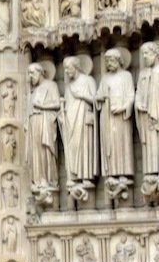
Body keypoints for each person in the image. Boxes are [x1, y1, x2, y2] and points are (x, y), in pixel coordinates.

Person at [60, 55, 98, 194]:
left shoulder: (88, 80)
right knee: (73, 148)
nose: (66, 71)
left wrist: (82, 96)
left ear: (76, 67)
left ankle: (86, 177)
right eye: (64, 69)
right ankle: (73, 177)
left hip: (83, 118)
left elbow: (96, 100)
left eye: (68, 68)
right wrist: (62, 116)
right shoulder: (68, 86)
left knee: (84, 147)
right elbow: (67, 105)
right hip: (70, 121)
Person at [96, 48, 135, 181]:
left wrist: (122, 107)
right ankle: (111, 173)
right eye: (107, 61)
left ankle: (124, 173)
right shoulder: (105, 78)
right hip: (106, 116)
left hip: (120, 116)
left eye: (111, 60)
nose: (109, 63)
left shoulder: (126, 76)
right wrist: (100, 97)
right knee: (109, 144)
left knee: (122, 143)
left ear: (119, 61)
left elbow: (131, 95)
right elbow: (97, 95)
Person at [26, 62, 60, 199]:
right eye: (28, 73)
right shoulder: (33, 90)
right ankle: (38, 180)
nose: (30, 76)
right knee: (35, 152)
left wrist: (42, 106)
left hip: (45, 121)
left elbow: (57, 104)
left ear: (40, 72)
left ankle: (47, 180)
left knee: (44, 150)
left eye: (32, 73)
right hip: (33, 122)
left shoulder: (51, 85)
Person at [135, 41, 159, 176]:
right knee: (149, 147)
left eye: (147, 53)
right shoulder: (143, 74)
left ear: (155, 54)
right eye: (143, 54)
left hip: (157, 114)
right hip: (146, 116)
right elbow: (138, 93)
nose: (144, 57)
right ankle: (151, 174)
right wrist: (138, 104)